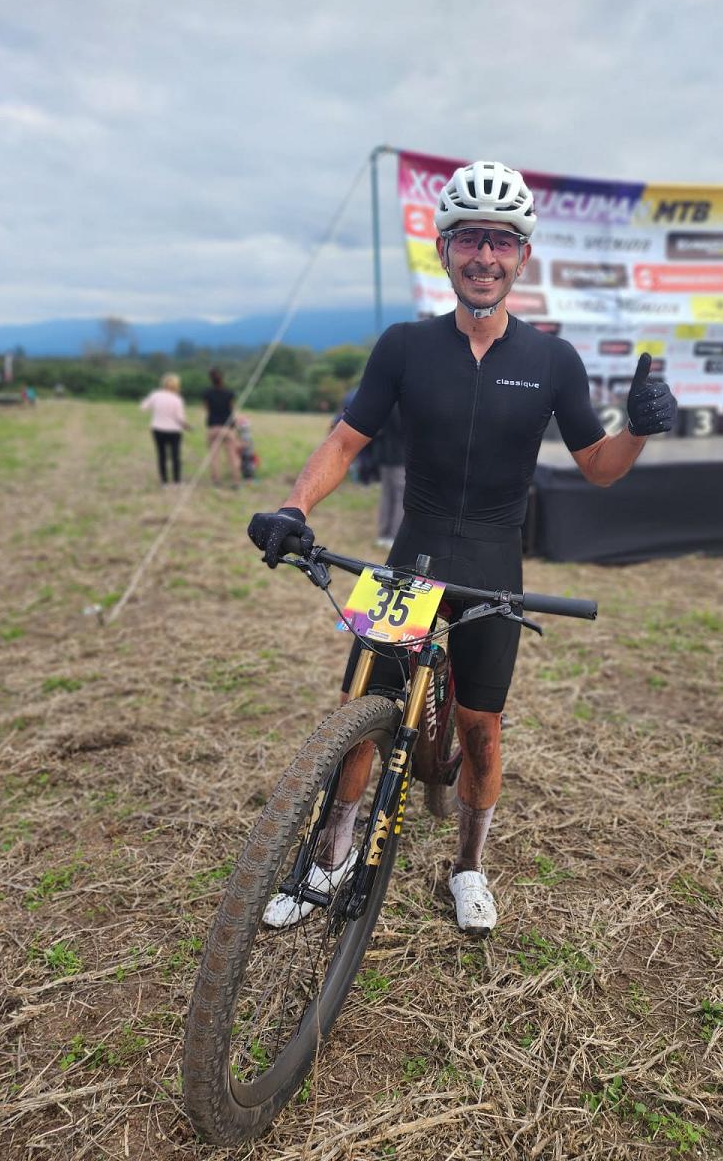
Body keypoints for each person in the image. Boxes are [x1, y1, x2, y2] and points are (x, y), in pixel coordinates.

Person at [247, 160, 677, 936]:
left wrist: (638, 430)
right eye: (469, 239)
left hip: (492, 561)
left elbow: (599, 466)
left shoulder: (552, 361)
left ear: (523, 257)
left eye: (500, 242)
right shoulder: (405, 346)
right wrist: (293, 506)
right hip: (411, 553)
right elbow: (345, 441)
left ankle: (469, 865)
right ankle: (332, 851)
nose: (484, 256)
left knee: (481, 729)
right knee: (361, 705)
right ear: (444, 252)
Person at [140, 373, 189, 484]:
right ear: (176, 385)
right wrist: (186, 426)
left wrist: (146, 400)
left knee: (161, 455)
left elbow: (143, 407)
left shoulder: (155, 395)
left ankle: (164, 481)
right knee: (175, 455)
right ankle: (177, 481)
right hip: (174, 431)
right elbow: (180, 418)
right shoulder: (177, 399)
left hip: (158, 429)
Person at [373, 402, 404, 547]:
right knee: (399, 497)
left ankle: (383, 534)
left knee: (387, 495)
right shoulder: (402, 405)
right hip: (400, 456)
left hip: (384, 455)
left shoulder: (385, 402)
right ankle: (393, 535)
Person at [204, 368, 241, 486]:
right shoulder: (229, 393)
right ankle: (236, 481)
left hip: (213, 427)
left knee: (214, 457)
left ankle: (216, 480)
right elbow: (233, 410)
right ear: (222, 379)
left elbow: (206, 409)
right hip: (227, 428)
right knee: (232, 456)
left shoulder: (207, 393)